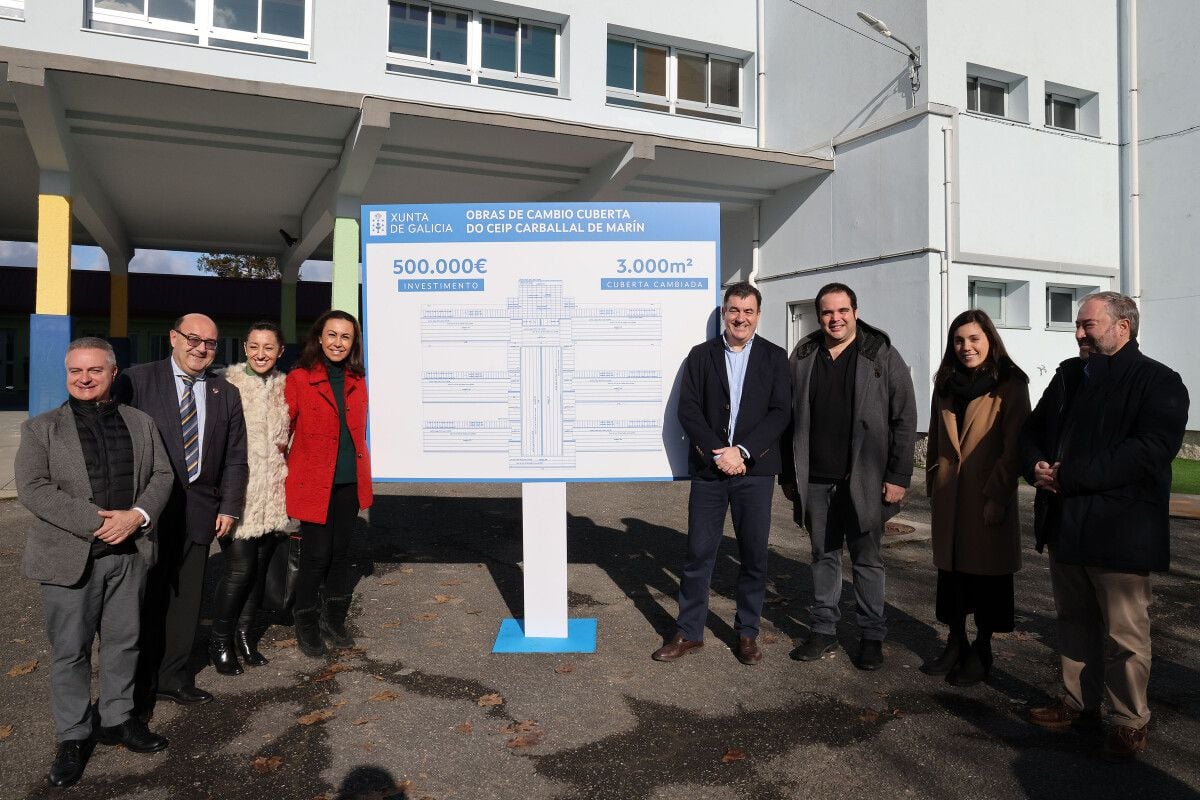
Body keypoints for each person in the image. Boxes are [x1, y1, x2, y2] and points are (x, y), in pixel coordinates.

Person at [1020, 291, 1188, 762]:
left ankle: (1128, 721)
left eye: (1088, 325)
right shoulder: (1071, 375)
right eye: (1078, 324)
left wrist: (1069, 475)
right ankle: (1077, 703)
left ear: (1123, 327)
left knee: (1125, 635)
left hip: (1121, 532)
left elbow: (1150, 449)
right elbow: (1031, 430)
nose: (1079, 334)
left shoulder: (1159, 381)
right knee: (1073, 623)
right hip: (1066, 525)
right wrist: (1033, 463)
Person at [16, 338, 174, 787]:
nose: (84, 379)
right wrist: (98, 522)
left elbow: (162, 474)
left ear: (112, 372)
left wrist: (137, 517)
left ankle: (117, 719)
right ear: (67, 374)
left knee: (125, 642)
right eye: (75, 372)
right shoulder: (41, 429)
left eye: (94, 371)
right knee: (71, 651)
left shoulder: (141, 422)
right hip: (70, 559)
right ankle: (73, 734)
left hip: (130, 555)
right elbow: (33, 487)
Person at [114, 313, 248, 712]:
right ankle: (136, 682)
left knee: (187, 600)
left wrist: (230, 505)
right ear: (173, 337)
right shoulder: (137, 381)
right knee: (143, 598)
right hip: (147, 513)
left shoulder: (226, 392)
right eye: (193, 338)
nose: (201, 348)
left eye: (210, 343)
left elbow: (236, 457)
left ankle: (173, 676)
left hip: (200, 511)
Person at [652, 282, 791, 665]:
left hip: (755, 471)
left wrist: (742, 451)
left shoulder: (775, 357)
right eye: (733, 310)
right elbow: (689, 410)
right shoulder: (701, 356)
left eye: (748, 311)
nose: (740, 318)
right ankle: (689, 631)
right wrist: (719, 454)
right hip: (711, 472)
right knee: (699, 553)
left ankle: (747, 633)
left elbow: (781, 412)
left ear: (758, 316)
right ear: (724, 314)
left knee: (753, 556)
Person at [781, 283, 917, 670]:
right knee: (822, 556)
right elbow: (788, 421)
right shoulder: (804, 355)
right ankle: (824, 631)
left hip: (866, 479)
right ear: (818, 315)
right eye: (826, 312)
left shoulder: (880, 353)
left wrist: (899, 475)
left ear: (855, 312)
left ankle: (872, 635)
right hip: (817, 479)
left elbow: (905, 418)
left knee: (867, 560)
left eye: (842, 310)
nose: (835, 318)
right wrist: (789, 476)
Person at [924, 310, 1030, 686]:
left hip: (987, 496)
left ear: (990, 340)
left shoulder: (1010, 383)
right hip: (951, 496)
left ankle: (982, 649)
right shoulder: (946, 383)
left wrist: (998, 495)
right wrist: (934, 484)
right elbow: (937, 437)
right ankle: (956, 641)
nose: (966, 347)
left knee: (986, 578)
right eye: (959, 340)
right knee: (952, 575)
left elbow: (1014, 446)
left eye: (974, 339)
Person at [286, 309, 373, 658]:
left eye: (346, 337)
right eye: (332, 335)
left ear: (353, 343)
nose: (338, 342)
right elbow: (281, 431)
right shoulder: (299, 378)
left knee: (341, 554)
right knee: (316, 555)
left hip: (350, 481)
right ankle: (305, 621)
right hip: (314, 482)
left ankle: (333, 620)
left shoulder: (359, 379)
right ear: (320, 338)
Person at [208, 322, 291, 675]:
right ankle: (220, 639)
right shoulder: (226, 385)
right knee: (239, 570)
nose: (261, 353)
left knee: (258, 571)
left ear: (280, 351)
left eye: (268, 347)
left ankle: (245, 635)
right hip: (237, 495)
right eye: (254, 346)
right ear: (244, 347)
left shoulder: (286, 388)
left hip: (273, 496)